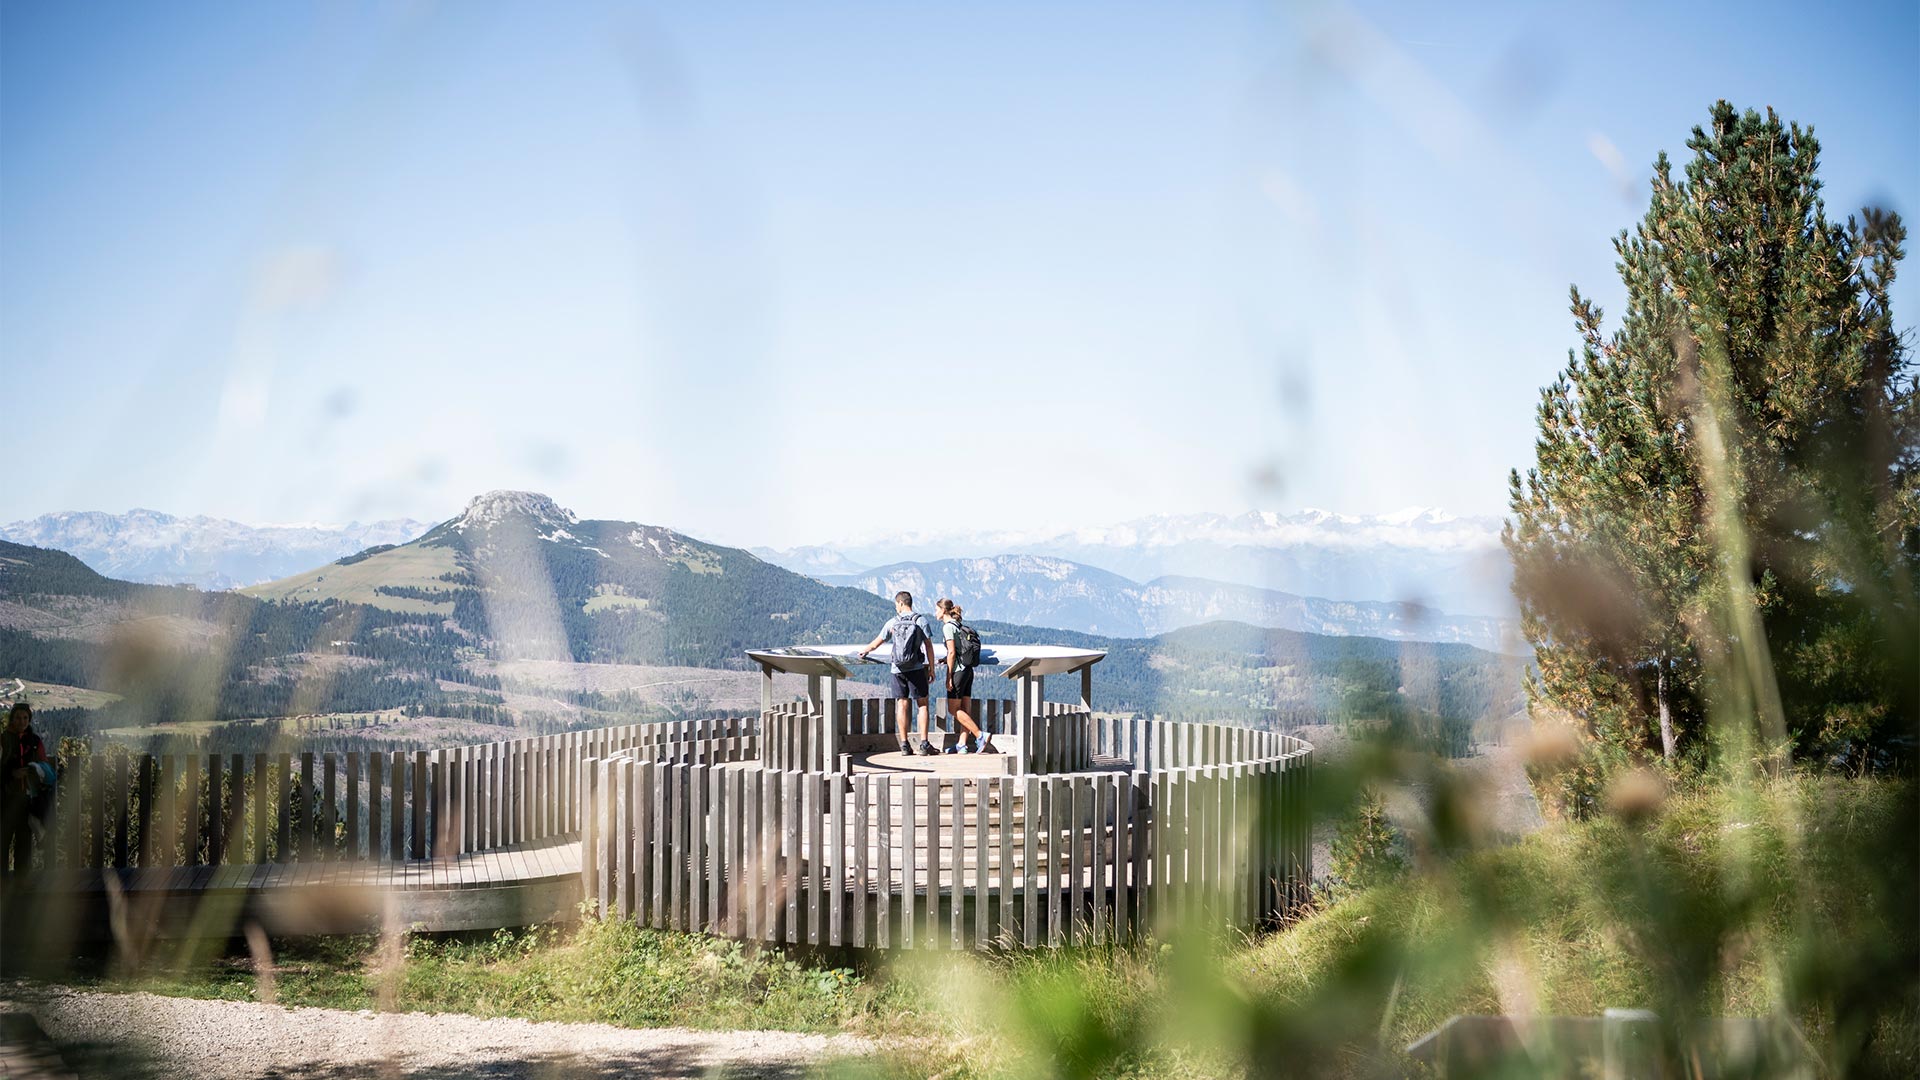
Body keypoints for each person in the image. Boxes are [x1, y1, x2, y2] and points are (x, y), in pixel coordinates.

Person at [856, 591, 940, 756]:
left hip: (897, 669)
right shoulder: (920, 620)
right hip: (916, 668)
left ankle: (904, 744)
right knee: (922, 704)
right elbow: (929, 646)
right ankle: (924, 744)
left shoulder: (893, 622)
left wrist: (864, 651)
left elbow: (877, 642)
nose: (896, 607)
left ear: (901, 603)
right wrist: (931, 668)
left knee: (902, 704)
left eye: (896, 604)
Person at [935, 599, 991, 753]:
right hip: (968, 671)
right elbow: (958, 651)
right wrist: (945, 659)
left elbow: (952, 651)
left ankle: (980, 735)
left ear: (943, 610)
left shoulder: (947, 627)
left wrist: (948, 676)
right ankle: (962, 744)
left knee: (954, 710)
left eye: (937, 609)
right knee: (964, 709)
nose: (935, 613)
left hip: (958, 672)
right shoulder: (958, 625)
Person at [1, 701, 48, 879]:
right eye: (18, 717)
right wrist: (12, 774)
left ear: (29, 719)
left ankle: (22, 880)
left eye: (25, 718)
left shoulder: (35, 741)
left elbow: (44, 767)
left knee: (24, 840)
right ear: (12, 719)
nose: (22, 721)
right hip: (5, 798)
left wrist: (35, 772)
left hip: (27, 800)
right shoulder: (3, 739)